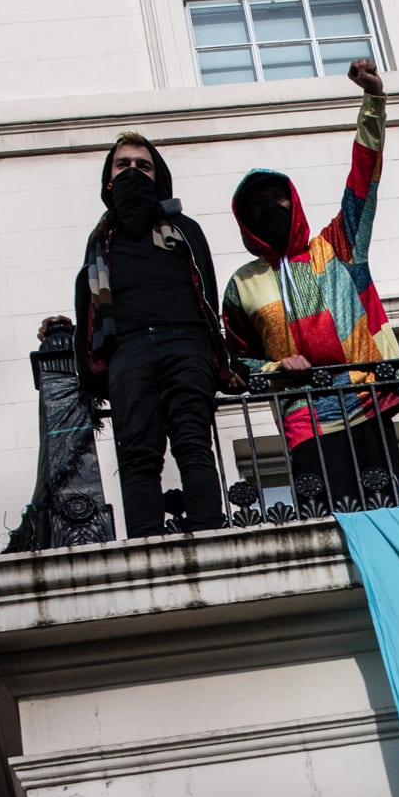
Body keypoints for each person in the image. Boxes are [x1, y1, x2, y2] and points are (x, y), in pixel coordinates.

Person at [223, 58, 399, 510]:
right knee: (324, 516)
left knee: (386, 511)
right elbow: (233, 363)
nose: (272, 207)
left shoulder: (339, 245)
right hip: (304, 415)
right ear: (246, 221)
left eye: (278, 197)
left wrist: (373, 102)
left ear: (295, 199)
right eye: (260, 204)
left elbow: (363, 179)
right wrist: (275, 368)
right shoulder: (241, 285)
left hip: (367, 395)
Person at [68, 130, 235, 535]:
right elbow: (88, 303)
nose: (133, 172)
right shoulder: (100, 242)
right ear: (109, 180)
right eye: (123, 165)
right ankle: (145, 540)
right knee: (138, 453)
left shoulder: (184, 230)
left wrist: (216, 355)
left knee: (193, 441)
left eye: (143, 166)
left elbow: (207, 293)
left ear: (158, 177)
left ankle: (210, 530)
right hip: (128, 351)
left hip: (186, 342)